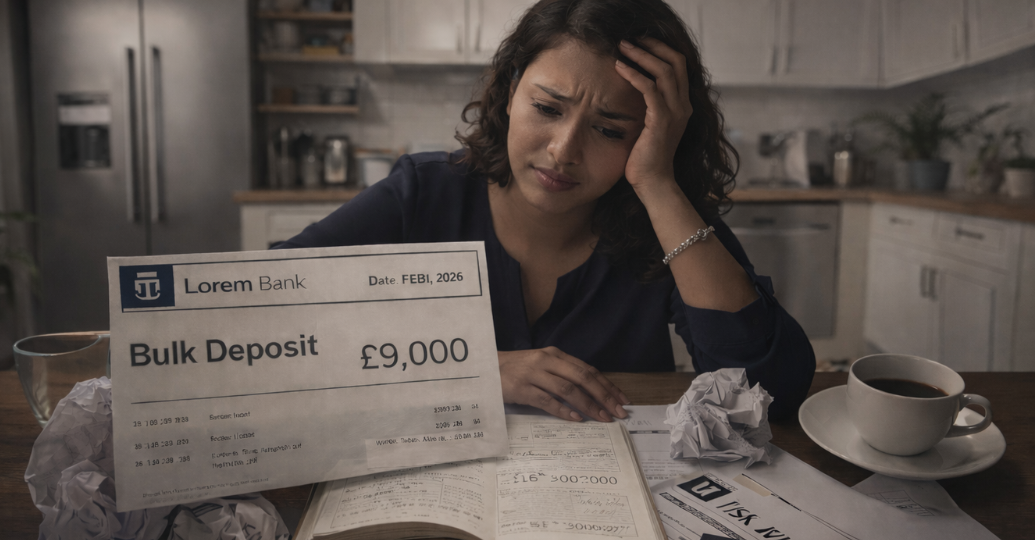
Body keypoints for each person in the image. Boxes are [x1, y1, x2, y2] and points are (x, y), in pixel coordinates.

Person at [278, 0, 816, 422]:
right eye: (546, 108)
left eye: (610, 129)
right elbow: (261, 316)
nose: (563, 149)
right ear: (511, 91)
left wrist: (657, 182)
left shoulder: (661, 216)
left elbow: (770, 391)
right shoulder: (423, 192)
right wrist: (472, 371)